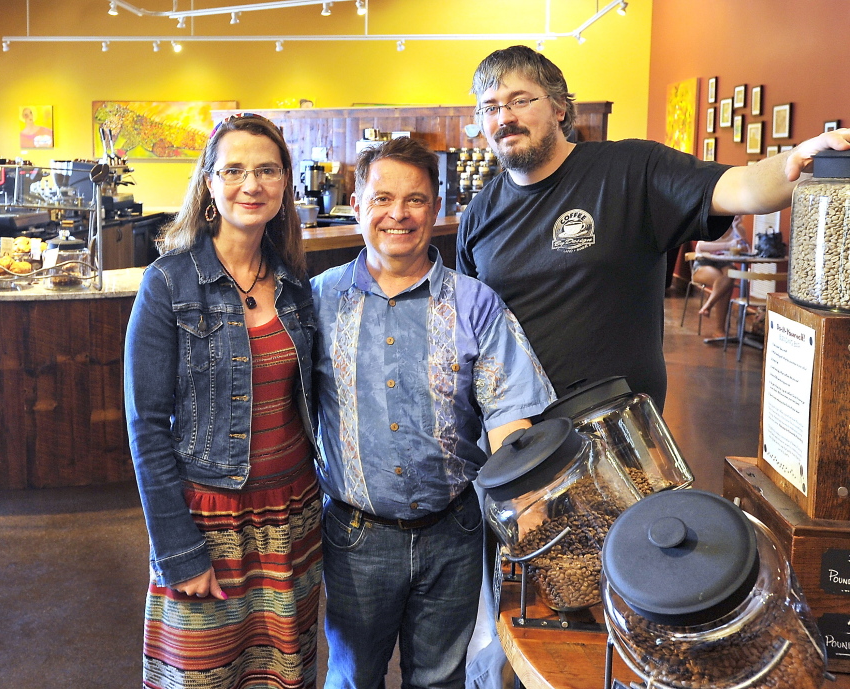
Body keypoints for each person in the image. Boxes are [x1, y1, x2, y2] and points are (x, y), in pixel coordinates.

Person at [457, 44, 850, 411]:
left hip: (622, 432)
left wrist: (806, 159)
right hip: (517, 433)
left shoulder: (630, 170)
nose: (504, 118)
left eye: (519, 101)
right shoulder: (479, 213)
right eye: (489, 108)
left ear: (559, 107)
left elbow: (743, 186)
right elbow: (470, 326)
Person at [312, 137, 554, 689]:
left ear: (436, 207)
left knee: (440, 680)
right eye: (383, 199)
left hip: (454, 532)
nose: (398, 214)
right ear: (357, 205)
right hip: (355, 537)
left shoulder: (476, 303)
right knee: (352, 678)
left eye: (415, 200)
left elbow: (509, 414)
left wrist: (526, 502)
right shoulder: (317, 301)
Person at [123, 113, 322, 689]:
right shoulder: (167, 283)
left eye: (266, 170)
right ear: (209, 183)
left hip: (292, 514)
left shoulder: (294, 281)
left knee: (284, 673)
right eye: (233, 170)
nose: (251, 185)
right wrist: (178, 548)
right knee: (202, 675)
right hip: (209, 520)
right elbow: (145, 426)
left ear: (284, 183)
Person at [691, 215, 749, 338]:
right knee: (723, 282)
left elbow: (747, 250)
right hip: (703, 262)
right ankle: (719, 329)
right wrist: (728, 245)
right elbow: (701, 246)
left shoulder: (739, 228)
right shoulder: (711, 224)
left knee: (731, 273)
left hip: (725, 263)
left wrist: (736, 228)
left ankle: (708, 306)